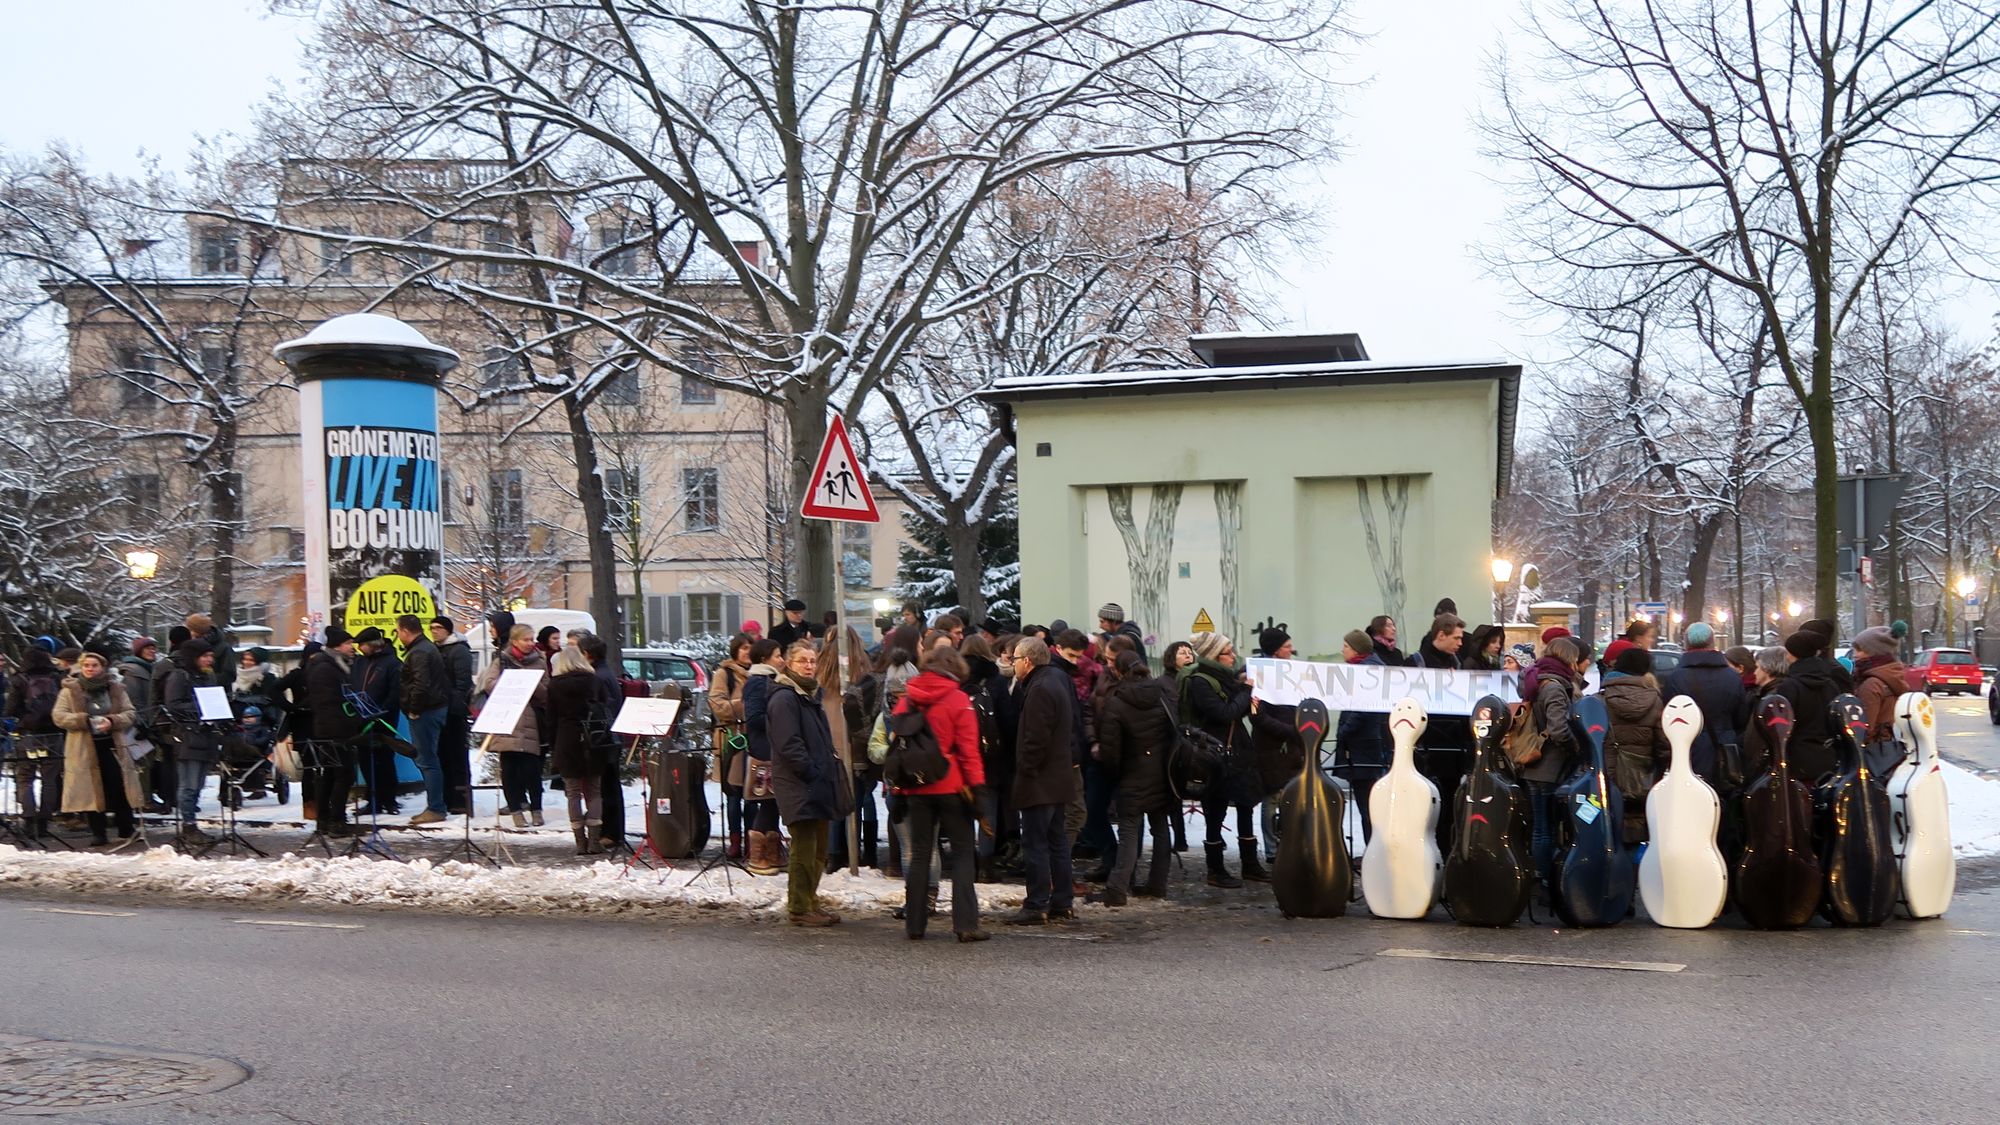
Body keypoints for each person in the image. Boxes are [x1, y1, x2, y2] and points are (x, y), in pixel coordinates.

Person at [886, 645, 989, 941]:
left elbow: (898, 746)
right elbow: (969, 752)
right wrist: (978, 792)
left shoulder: (906, 701)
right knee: (962, 853)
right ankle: (966, 925)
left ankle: (915, 924)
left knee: (920, 853)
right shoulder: (959, 700)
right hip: (953, 786)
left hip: (916, 787)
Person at [766, 639, 853, 926]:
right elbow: (789, 745)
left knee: (817, 849)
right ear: (789, 663)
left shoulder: (808, 695)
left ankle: (810, 901)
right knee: (803, 849)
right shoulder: (785, 698)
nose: (809, 665)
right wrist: (812, 772)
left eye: (812, 660)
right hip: (799, 783)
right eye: (802, 660)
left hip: (815, 781)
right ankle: (799, 908)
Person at [1096, 650, 1176, 904]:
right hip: (1162, 773)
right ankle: (1157, 885)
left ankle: (1117, 890)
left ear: (1119, 672)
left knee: (1129, 831)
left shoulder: (1117, 702)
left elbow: (1110, 751)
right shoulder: (1160, 693)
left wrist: (1115, 774)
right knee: (1161, 829)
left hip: (1132, 775)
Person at [1182, 630, 1261, 887]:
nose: (1233, 656)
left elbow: (1237, 712)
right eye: (1228, 652)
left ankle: (1250, 865)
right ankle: (1215, 869)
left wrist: (1249, 700)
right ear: (1215, 655)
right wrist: (1246, 692)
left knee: (1246, 804)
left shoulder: (1227, 679)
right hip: (1213, 755)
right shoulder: (1200, 681)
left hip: (1237, 751)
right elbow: (1224, 713)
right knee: (1215, 812)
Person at [1007, 637, 1077, 924]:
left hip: (1040, 780)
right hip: (1057, 777)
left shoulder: (1039, 689)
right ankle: (1061, 901)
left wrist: (1025, 769)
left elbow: (1035, 738)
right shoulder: (1055, 681)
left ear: (1027, 661)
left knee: (1036, 843)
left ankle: (1037, 904)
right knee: (1056, 841)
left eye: (1014, 659)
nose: (1011, 664)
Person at [52, 651, 142, 849]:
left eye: (94, 665)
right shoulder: (70, 690)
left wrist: (112, 720)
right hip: (83, 746)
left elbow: (130, 713)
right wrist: (82, 720)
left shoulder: (116, 689)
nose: (90, 669)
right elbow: (58, 716)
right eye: (86, 666)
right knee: (90, 789)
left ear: (103, 667)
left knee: (119, 786)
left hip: (112, 744)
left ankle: (126, 828)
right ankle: (98, 832)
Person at [1521, 635, 1588, 895]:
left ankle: (1541, 879)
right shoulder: (1554, 687)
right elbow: (1558, 728)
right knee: (1544, 829)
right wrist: (1575, 747)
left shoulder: (1537, 679)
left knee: (1540, 826)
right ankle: (1546, 882)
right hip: (1548, 766)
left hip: (1534, 764)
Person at [474, 620, 549, 827]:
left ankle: (536, 809)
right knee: (509, 770)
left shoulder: (539, 661)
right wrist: (512, 684)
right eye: (525, 639)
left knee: (532, 770)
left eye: (532, 639)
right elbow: (489, 684)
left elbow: (546, 691)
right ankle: (515, 810)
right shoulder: (502, 660)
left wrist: (532, 686)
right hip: (507, 720)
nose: (530, 643)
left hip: (531, 722)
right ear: (514, 641)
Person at [1409, 613, 1472, 854]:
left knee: (1447, 813)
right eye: (1456, 638)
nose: (1460, 643)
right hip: (1423, 750)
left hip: (1452, 753)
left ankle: (1445, 860)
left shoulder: (1456, 665)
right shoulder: (1415, 663)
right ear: (1440, 635)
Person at [1660, 622, 1749, 786]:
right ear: (1713, 642)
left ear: (1686, 643)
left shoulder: (1676, 678)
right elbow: (1741, 718)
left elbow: (1668, 717)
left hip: (1688, 749)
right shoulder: (1732, 676)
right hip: (1725, 750)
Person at [547, 646, 614, 854]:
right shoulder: (594, 681)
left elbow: (551, 719)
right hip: (593, 738)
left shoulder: (555, 685)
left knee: (573, 793)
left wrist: (553, 745)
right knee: (594, 791)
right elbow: (605, 707)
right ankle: (595, 840)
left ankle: (579, 842)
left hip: (566, 739)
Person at [156, 638, 223, 844]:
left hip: (206, 734)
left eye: (211, 656)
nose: (210, 660)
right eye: (205, 656)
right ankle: (188, 825)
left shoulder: (208, 677)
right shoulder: (179, 676)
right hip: (188, 735)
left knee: (200, 782)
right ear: (194, 657)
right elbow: (173, 705)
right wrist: (202, 706)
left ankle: (192, 823)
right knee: (189, 783)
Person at [1601, 646, 1668, 849]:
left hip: (1608, 773)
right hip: (1643, 774)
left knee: (1610, 821)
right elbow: (1663, 743)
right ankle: (1636, 868)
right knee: (1639, 822)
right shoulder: (1654, 700)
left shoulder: (1602, 698)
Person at [304, 628, 364, 837]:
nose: (352, 648)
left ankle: (326, 820)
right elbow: (328, 703)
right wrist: (351, 718)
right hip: (334, 730)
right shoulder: (325, 668)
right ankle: (335, 820)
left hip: (334, 728)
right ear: (338, 646)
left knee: (331, 775)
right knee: (342, 775)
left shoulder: (333, 665)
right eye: (349, 643)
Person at [5, 646, 68, 838]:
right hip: (54, 733)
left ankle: (28, 819)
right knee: (50, 779)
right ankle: (44, 822)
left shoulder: (19, 679)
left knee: (26, 777)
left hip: (28, 734)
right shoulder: (57, 678)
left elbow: (11, 709)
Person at [1332, 629, 1390, 837]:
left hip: (1364, 748)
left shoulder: (1366, 671)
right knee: (1369, 806)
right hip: (1366, 747)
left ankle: (1372, 853)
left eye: (1346, 646)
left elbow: (1363, 707)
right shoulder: (1367, 667)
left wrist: (1344, 731)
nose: (1342, 650)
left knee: (1368, 807)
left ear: (1356, 649)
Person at [395, 614, 451, 826]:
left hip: (425, 712)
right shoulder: (426, 648)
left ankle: (436, 807)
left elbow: (421, 684)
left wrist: (414, 709)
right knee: (429, 759)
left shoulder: (419, 652)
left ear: (406, 631)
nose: (398, 635)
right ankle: (435, 805)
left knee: (427, 760)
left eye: (398, 631)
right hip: (433, 709)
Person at [1767, 630, 1843, 781]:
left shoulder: (1789, 687)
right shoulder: (1831, 684)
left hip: (1797, 757)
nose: (1786, 657)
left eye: (1788, 653)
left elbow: (1781, 725)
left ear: (1794, 654)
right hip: (1828, 755)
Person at [739, 638, 785, 876]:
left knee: (773, 801)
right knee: (768, 800)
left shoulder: (770, 680)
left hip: (771, 747)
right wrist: (780, 719)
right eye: (778, 655)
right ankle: (758, 856)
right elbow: (755, 717)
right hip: (764, 749)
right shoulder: (758, 682)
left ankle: (772, 853)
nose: (782, 660)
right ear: (764, 658)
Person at [708, 633, 756, 860]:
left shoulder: (758, 673)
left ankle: (753, 840)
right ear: (735, 650)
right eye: (744, 647)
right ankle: (735, 840)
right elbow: (718, 706)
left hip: (754, 738)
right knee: (734, 794)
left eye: (751, 648)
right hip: (731, 741)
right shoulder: (724, 674)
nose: (747, 651)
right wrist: (746, 705)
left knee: (754, 793)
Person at [349, 627, 403, 815]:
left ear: (373, 645)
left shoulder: (392, 663)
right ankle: (373, 800)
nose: (359, 649)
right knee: (365, 759)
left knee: (384, 758)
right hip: (362, 718)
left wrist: (381, 711)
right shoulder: (360, 663)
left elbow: (395, 692)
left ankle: (389, 800)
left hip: (383, 718)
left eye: (362, 645)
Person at [430, 617, 476, 815]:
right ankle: (448, 798)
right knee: (443, 756)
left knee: (457, 757)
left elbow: (462, 683)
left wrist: (454, 707)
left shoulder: (459, 650)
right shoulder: (435, 649)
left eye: (438, 628)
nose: (434, 631)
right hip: (439, 709)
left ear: (448, 630)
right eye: (431, 628)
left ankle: (460, 801)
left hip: (454, 712)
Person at [1851, 626, 1909, 744]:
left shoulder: (1872, 684)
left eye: (1859, 650)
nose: (1855, 655)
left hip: (1871, 750)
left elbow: (1865, 729)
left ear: (1874, 652)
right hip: (1887, 748)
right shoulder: (1892, 676)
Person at [231, 648, 281, 716]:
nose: (246, 662)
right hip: (239, 717)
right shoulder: (237, 675)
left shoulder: (267, 677)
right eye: (244, 659)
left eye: (251, 660)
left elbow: (269, 700)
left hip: (260, 718)